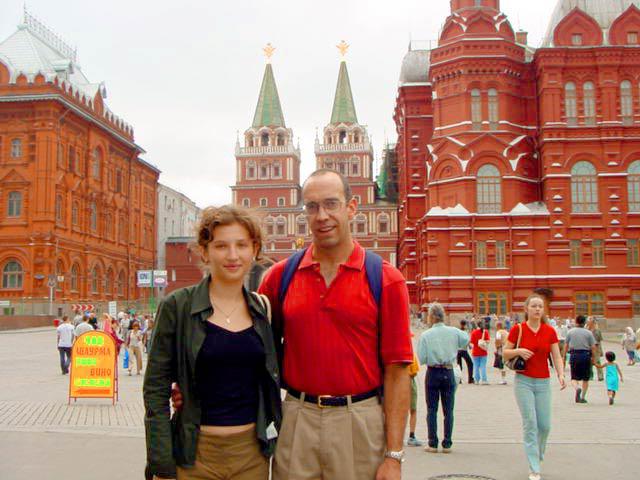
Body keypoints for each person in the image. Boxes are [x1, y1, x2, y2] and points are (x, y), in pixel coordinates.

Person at [258, 169, 413, 480]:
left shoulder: (386, 279)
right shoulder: (280, 277)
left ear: (351, 208)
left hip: (359, 420)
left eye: (331, 204)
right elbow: (250, 351)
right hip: (297, 417)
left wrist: (394, 456)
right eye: (312, 206)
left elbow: (397, 372)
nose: (322, 216)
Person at [143, 205, 280, 480]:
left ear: (254, 250)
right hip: (194, 455)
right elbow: (155, 390)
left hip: (251, 455)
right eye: (221, 246)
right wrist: (162, 466)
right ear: (205, 252)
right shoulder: (177, 306)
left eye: (241, 245)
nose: (233, 255)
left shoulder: (262, 309)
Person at [503, 294, 566, 480]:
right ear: (526, 309)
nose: (538, 309)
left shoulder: (549, 331)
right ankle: (534, 467)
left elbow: (556, 356)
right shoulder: (518, 329)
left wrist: (561, 374)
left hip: (543, 382)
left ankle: (537, 456)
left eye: (540, 306)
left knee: (545, 426)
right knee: (530, 423)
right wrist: (518, 351)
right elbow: (505, 353)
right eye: (534, 306)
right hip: (524, 382)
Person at [417, 303, 469, 454]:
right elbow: (466, 340)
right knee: (449, 410)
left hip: (433, 372)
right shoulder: (454, 331)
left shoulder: (426, 335)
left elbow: (422, 358)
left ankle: (432, 443)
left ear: (431, 317)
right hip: (448, 371)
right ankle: (447, 443)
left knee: (431, 409)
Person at [563, 315, 596, 403]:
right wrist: (593, 358)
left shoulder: (570, 332)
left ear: (576, 322)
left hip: (574, 355)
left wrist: (564, 356)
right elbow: (593, 347)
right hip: (585, 355)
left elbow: (566, 345)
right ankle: (583, 397)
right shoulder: (589, 333)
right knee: (586, 378)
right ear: (584, 322)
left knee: (574, 377)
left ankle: (577, 388)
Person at [406, 349, 423, 447]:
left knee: (396, 412)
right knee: (413, 410)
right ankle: (411, 436)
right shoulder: (410, 352)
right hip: (409, 382)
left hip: (396, 383)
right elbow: (414, 371)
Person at [456, 320, 474, 384]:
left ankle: (459, 380)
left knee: (459, 365)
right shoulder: (465, 332)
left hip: (457, 350)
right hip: (464, 350)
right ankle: (470, 379)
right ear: (465, 325)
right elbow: (467, 340)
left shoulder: (457, 332)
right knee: (470, 364)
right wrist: (469, 346)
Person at [494, 320, 508, 385]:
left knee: (501, 364)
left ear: (498, 326)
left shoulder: (498, 332)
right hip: (507, 348)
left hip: (501, 348)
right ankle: (503, 379)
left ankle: (503, 379)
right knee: (504, 363)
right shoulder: (506, 332)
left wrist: (497, 348)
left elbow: (498, 340)